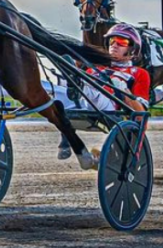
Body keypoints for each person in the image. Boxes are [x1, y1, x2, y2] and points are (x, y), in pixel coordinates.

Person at [56, 23, 150, 158]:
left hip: (110, 107)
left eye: (121, 41)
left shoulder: (139, 73)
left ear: (133, 49)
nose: (114, 45)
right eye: (112, 41)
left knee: (90, 88)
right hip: (83, 103)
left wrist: (124, 91)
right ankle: (69, 81)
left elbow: (141, 113)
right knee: (56, 92)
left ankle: (75, 79)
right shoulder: (95, 69)